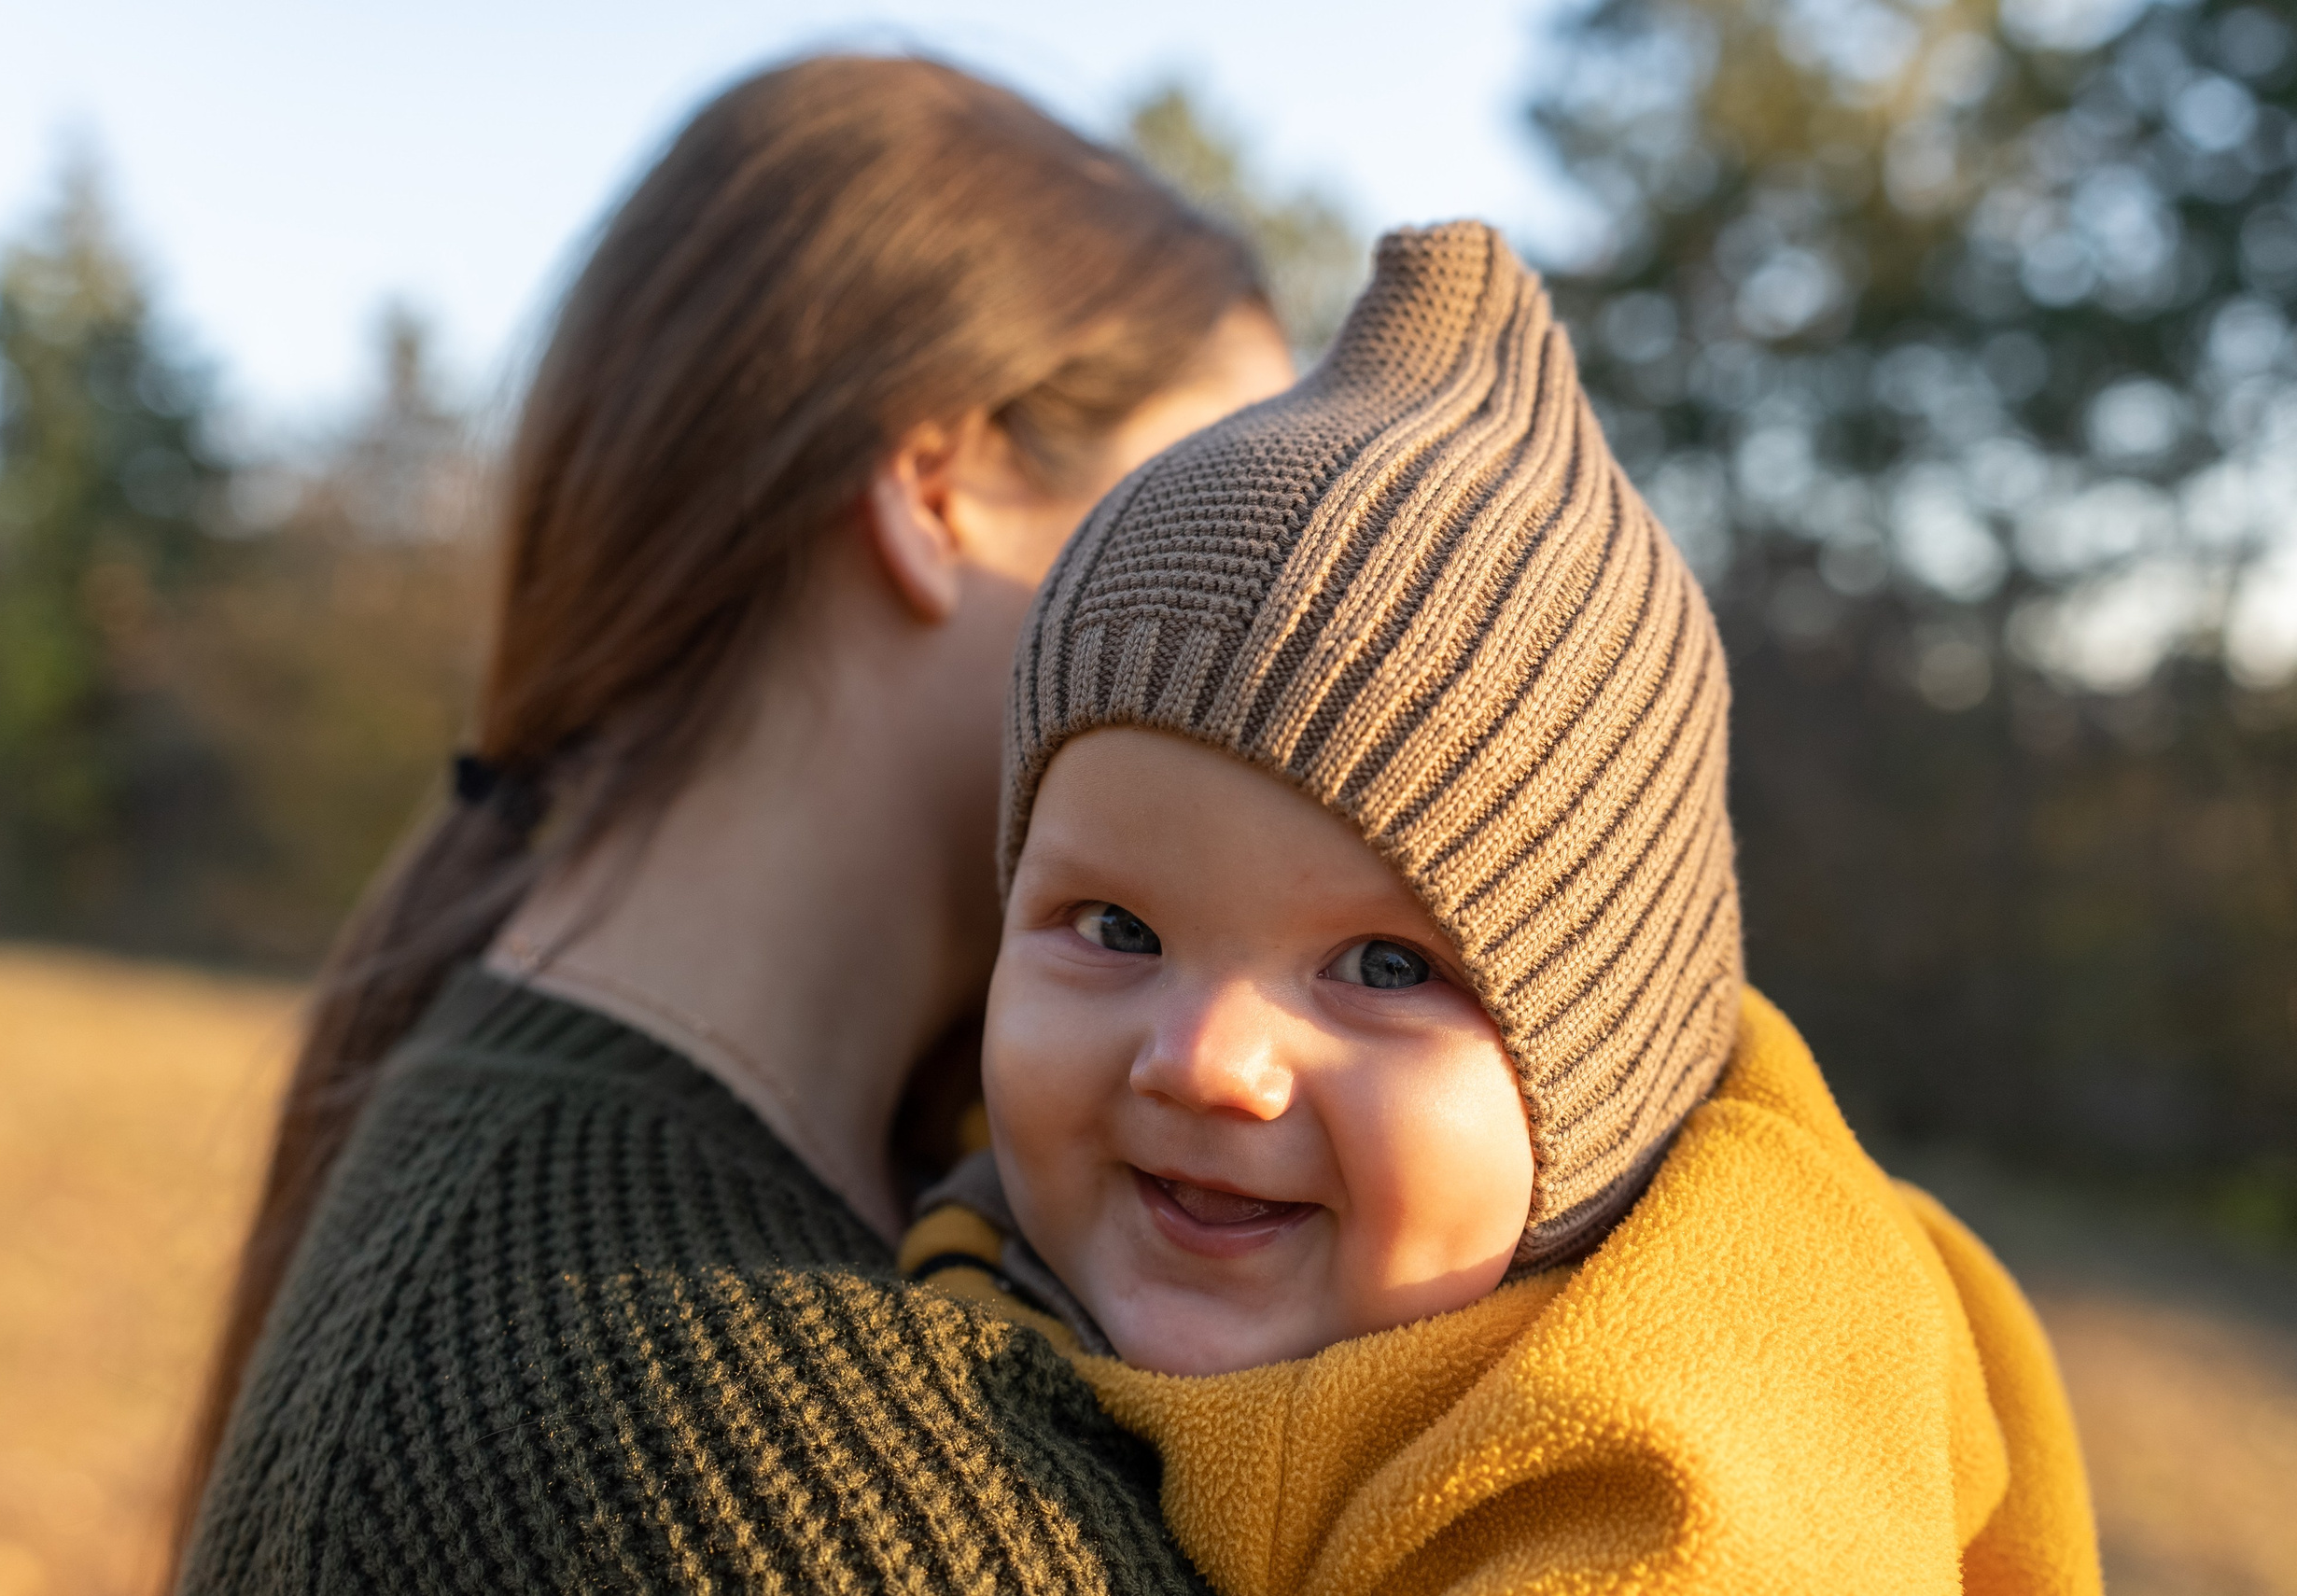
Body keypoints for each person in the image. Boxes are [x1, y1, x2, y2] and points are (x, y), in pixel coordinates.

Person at [172, 55, 1294, 1593]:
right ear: (936, 487)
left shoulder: (568, 1153)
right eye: (1211, 525)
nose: (1269, 648)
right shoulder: (764, 1450)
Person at [902, 222, 2105, 1594]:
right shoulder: (992, 1191)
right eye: (1117, 929)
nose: (1202, 1059)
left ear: (1600, 1073)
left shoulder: (1690, 1458)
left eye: (1380, 964)